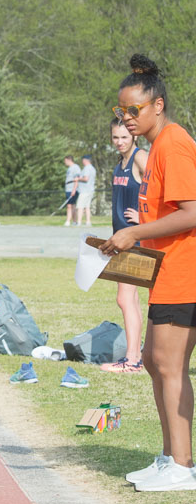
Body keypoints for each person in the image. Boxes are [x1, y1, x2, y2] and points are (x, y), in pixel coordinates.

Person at [101, 55, 196, 492]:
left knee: (171, 366)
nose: (127, 118)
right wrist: (127, 246)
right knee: (158, 365)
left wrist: (133, 231)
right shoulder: (155, 146)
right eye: (121, 111)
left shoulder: (173, 142)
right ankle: (167, 458)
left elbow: (190, 213)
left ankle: (183, 465)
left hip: (185, 271)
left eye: (133, 110)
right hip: (164, 271)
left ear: (157, 105)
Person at [102, 118, 148, 374]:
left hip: (136, 240)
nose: (120, 142)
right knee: (131, 299)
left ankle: (132, 360)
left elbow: (164, 188)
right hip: (121, 238)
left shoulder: (140, 158)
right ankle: (137, 356)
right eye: (115, 137)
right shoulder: (119, 164)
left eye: (124, 137)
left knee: (124, 298)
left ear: (134, 136)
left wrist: (146, 218)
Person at [76, 154, 97, 227]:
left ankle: (78, 222)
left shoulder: (87, 168)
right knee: (87, 207)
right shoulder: (92, 168)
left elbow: (86, 178)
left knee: (80, 206)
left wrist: (78, 179)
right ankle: (88, 222)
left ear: (85, 160)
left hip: (84, 190)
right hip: (90, 190)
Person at [63, 155, 82, 226]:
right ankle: (74, 221)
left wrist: (74, 190)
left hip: (72, 189)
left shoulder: (75, 167)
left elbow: (76, 179)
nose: (65, 163)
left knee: (69, 205)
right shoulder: (69, 168)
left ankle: (68, 221)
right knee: (72, 205)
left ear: (69, 160)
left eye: (65, 161)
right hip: (68, 188)